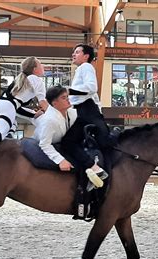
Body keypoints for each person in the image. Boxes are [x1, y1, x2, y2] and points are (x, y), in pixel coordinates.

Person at [0, 56, 48, 174]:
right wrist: (51, 114)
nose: (43, 66)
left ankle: (8, 132)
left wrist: (33, 115)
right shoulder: (37, 80)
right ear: (35, 69)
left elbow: (17, 108)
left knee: (13, 122)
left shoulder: (21, 78)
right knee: (0, 133)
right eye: (40, 64)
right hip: (7, 107)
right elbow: (42, 102)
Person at [60, 44, 111, 189]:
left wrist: (68, 91)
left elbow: (91, 87)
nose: (73, 55)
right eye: (73, 52)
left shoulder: (86, 67)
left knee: (68, 142)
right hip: (83, 110)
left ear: (86, 56)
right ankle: (94, 170)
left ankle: (96, 170)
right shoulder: (80, 69)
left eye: (77, 52)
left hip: (86, 110)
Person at [31, 85, 77, 170]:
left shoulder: (72, 113)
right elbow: (44, 144)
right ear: (54, 103)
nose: (68, 99)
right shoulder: (49, 120)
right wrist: (61, 161)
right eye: (64, 98)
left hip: (61, 144)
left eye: (67, 96)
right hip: (41, 145)